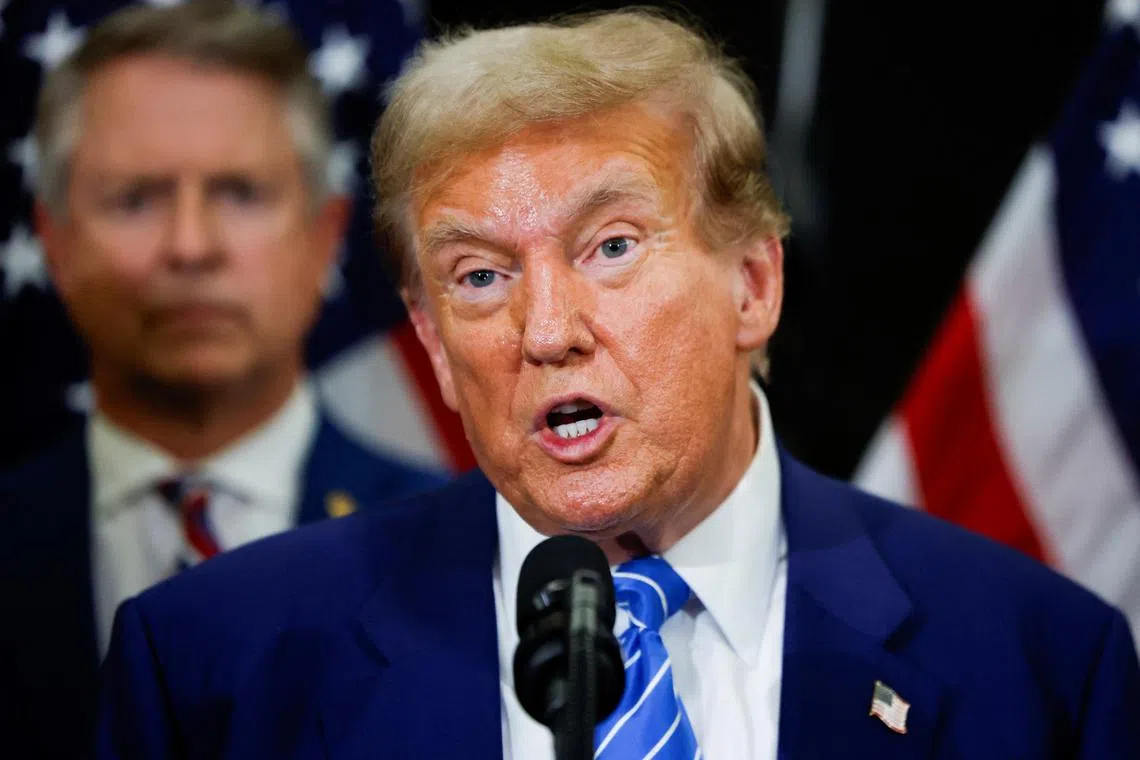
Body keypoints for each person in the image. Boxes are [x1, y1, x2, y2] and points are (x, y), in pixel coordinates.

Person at [96, 8, 1140, 759]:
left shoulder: (1039, 664)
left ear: (753, 284)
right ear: (430, 339)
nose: (546, 330)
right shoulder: (212, 668)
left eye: (610, 247)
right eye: (480, 276)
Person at [0, 3, 446, 757]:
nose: (191, 246)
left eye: (240, 193)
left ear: (325, 238)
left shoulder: (456, 553)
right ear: (55, 242)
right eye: (136, 198)